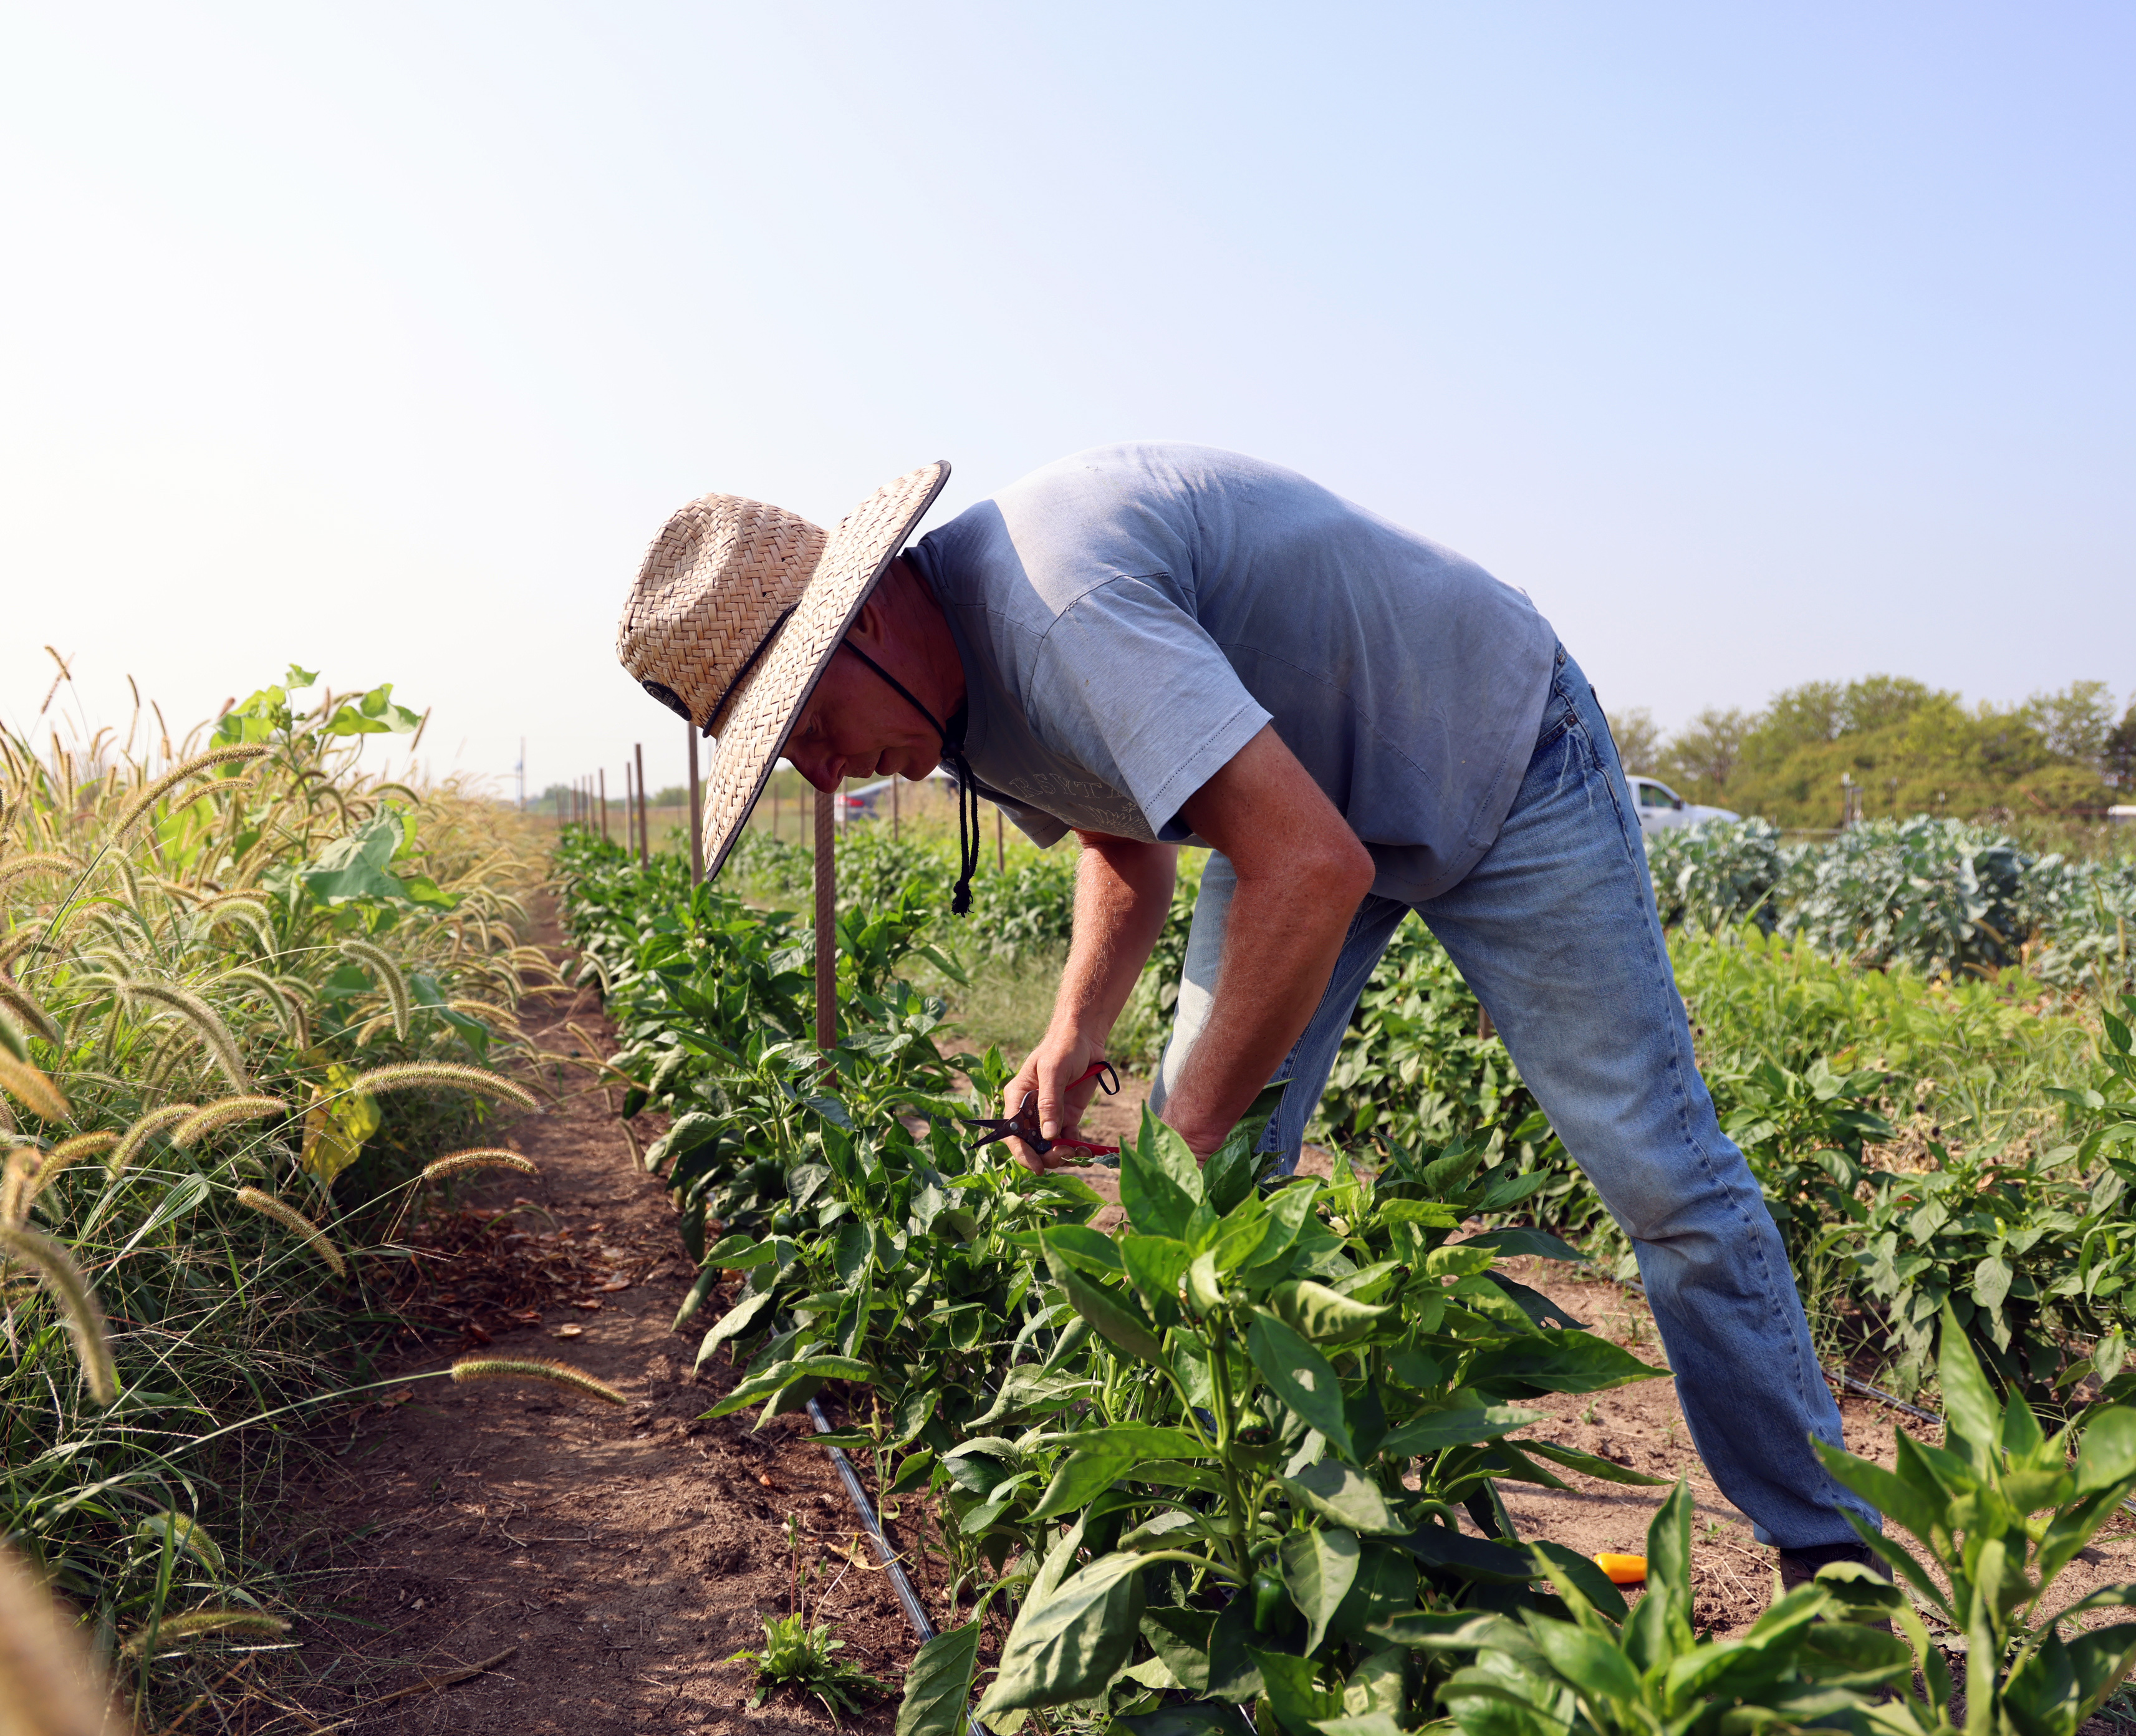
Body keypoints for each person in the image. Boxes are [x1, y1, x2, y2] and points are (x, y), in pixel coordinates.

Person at [613, 443, 1877, 1585]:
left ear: (872, 614)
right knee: (1210, 1190)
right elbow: (1126, 844)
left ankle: (1832, 1550)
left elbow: (1309, 870)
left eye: (816, 724)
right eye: (793, 754)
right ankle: (1271, 1529)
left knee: (1657, 1171)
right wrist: (1073, 1033)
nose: (826, 773)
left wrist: (1191, 1133)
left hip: (1496, 748)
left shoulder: (1060, 614)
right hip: (1305, 810)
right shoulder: (952, 693)